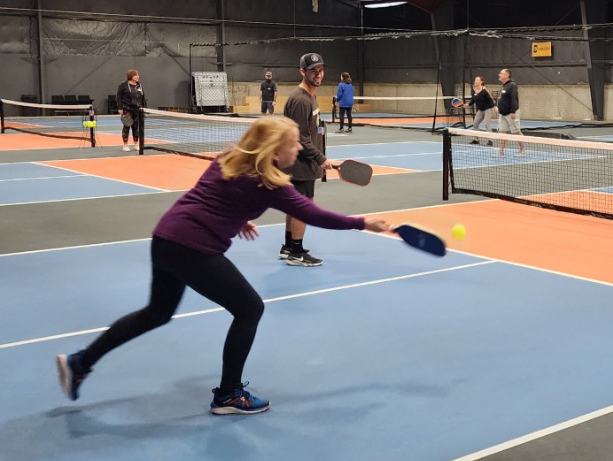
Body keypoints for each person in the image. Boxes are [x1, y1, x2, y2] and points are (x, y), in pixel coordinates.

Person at [55, 116, 390, 415]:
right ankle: (229, 394)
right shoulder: (271, 183)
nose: (298, 147)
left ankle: (81, 361)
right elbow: (314, 215)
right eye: (292, 143)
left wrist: (238, 217)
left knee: (156, 312)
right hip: (192, 248)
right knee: (249, 309)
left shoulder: (229, 159)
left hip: (166, 237)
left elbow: (213, 197)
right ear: (275, 148)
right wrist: (363, 223)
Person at [281, 52, 332, 266]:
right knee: (303, 207)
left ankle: (288, 247)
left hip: (303, 163)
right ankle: (296, 252)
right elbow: (300, 137)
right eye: (313, 71)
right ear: (303, 72)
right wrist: (320, 158)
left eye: (320, 70)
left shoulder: (310, 95)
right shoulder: (301, 100)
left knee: (295, 206)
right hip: (301, 164)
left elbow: (314, 130)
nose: (318, 74)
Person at [116, 69, 146, 153]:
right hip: (127, 109)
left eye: (138, 75)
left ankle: (136, 144)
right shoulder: (123, 85)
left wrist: (143, 108)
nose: (138, 76)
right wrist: (120, 108)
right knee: (126, 126)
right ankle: (125, 145)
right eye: (136, 75)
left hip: (137, 110)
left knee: (136, 127)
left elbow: (143, 98)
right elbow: (118, 97)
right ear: (131, 76)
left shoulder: (139, 86)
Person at [496, 68, 523, 157]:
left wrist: (513, 112)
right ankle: (501, 152)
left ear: (507, 75)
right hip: (502, 114)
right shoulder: (504, 86)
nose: (499, 75)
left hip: (511, 113)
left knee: (516, 132)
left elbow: (514, 99)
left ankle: (522, 149)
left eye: (501, 73)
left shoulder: (512, 85)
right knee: (502, 132)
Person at [468, 75, 497, 144]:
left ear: (481, 82)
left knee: (487, 124)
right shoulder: (474, 90)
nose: (476, 81)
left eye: (477, 80)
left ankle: (490, 140)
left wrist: (495, 107)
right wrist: (468, 104)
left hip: (488, 108)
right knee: (475, 124)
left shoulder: (484, 90)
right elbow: (474, 99)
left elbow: (490, 100)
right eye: (475, 80)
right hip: (481, 109)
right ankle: (476, 139)